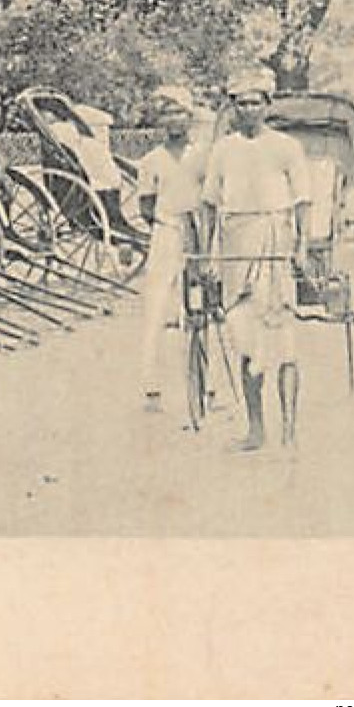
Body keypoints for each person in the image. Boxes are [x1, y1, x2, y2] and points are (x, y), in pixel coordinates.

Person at [200, 68, 313, 451]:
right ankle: (256, 429)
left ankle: (291, 429)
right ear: (233, 109)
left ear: (266, 106)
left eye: (255, 102)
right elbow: (211, 204)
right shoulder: (223, 149)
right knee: (244, 336)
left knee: (282, 339)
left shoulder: (285, 147)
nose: (248, 109)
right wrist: (208, 254)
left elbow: (301, 200)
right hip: (235, 245)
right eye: (241, 103)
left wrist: (300, 246)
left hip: (275, 240)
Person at [134, 87, 209, 414]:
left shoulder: (204, 154)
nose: (174, 120)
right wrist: (168, 227)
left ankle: (209, 384)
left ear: (189, 117)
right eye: (167, 114)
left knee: (204, 307)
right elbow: (146, 206)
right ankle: (152, 386)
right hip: (166, 234)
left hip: (199, 234)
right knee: (156, 306)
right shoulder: (152, 160)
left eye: (179, 113)